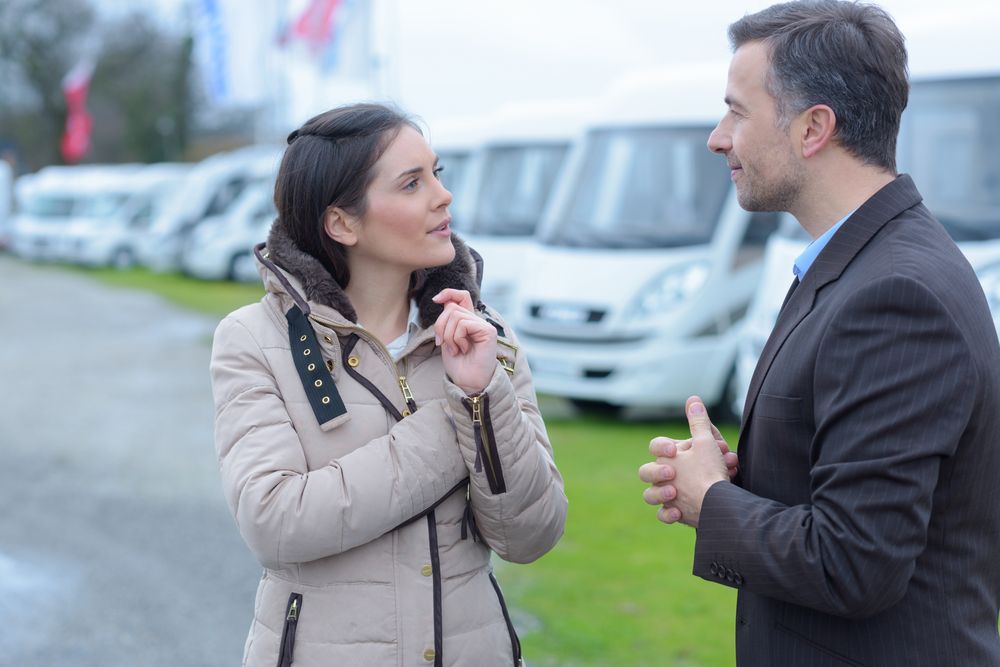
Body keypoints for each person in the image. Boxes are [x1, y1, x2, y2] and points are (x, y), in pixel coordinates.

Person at [639, 2, 1000, 665]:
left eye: (737, 112)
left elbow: (855, 562)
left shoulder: (897, 295)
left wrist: (712, 501)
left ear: (813, 128)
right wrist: (737, 480)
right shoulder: (854, 264)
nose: (718, 137)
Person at [210, 103, 567, 667]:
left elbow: (532, 534)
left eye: (436, 174)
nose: (442, 196)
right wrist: (456, 418)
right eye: (411, 183)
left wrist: (483, 394)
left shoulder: (481, 334)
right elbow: (276, 521)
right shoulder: (254, 339)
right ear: (342, 223)